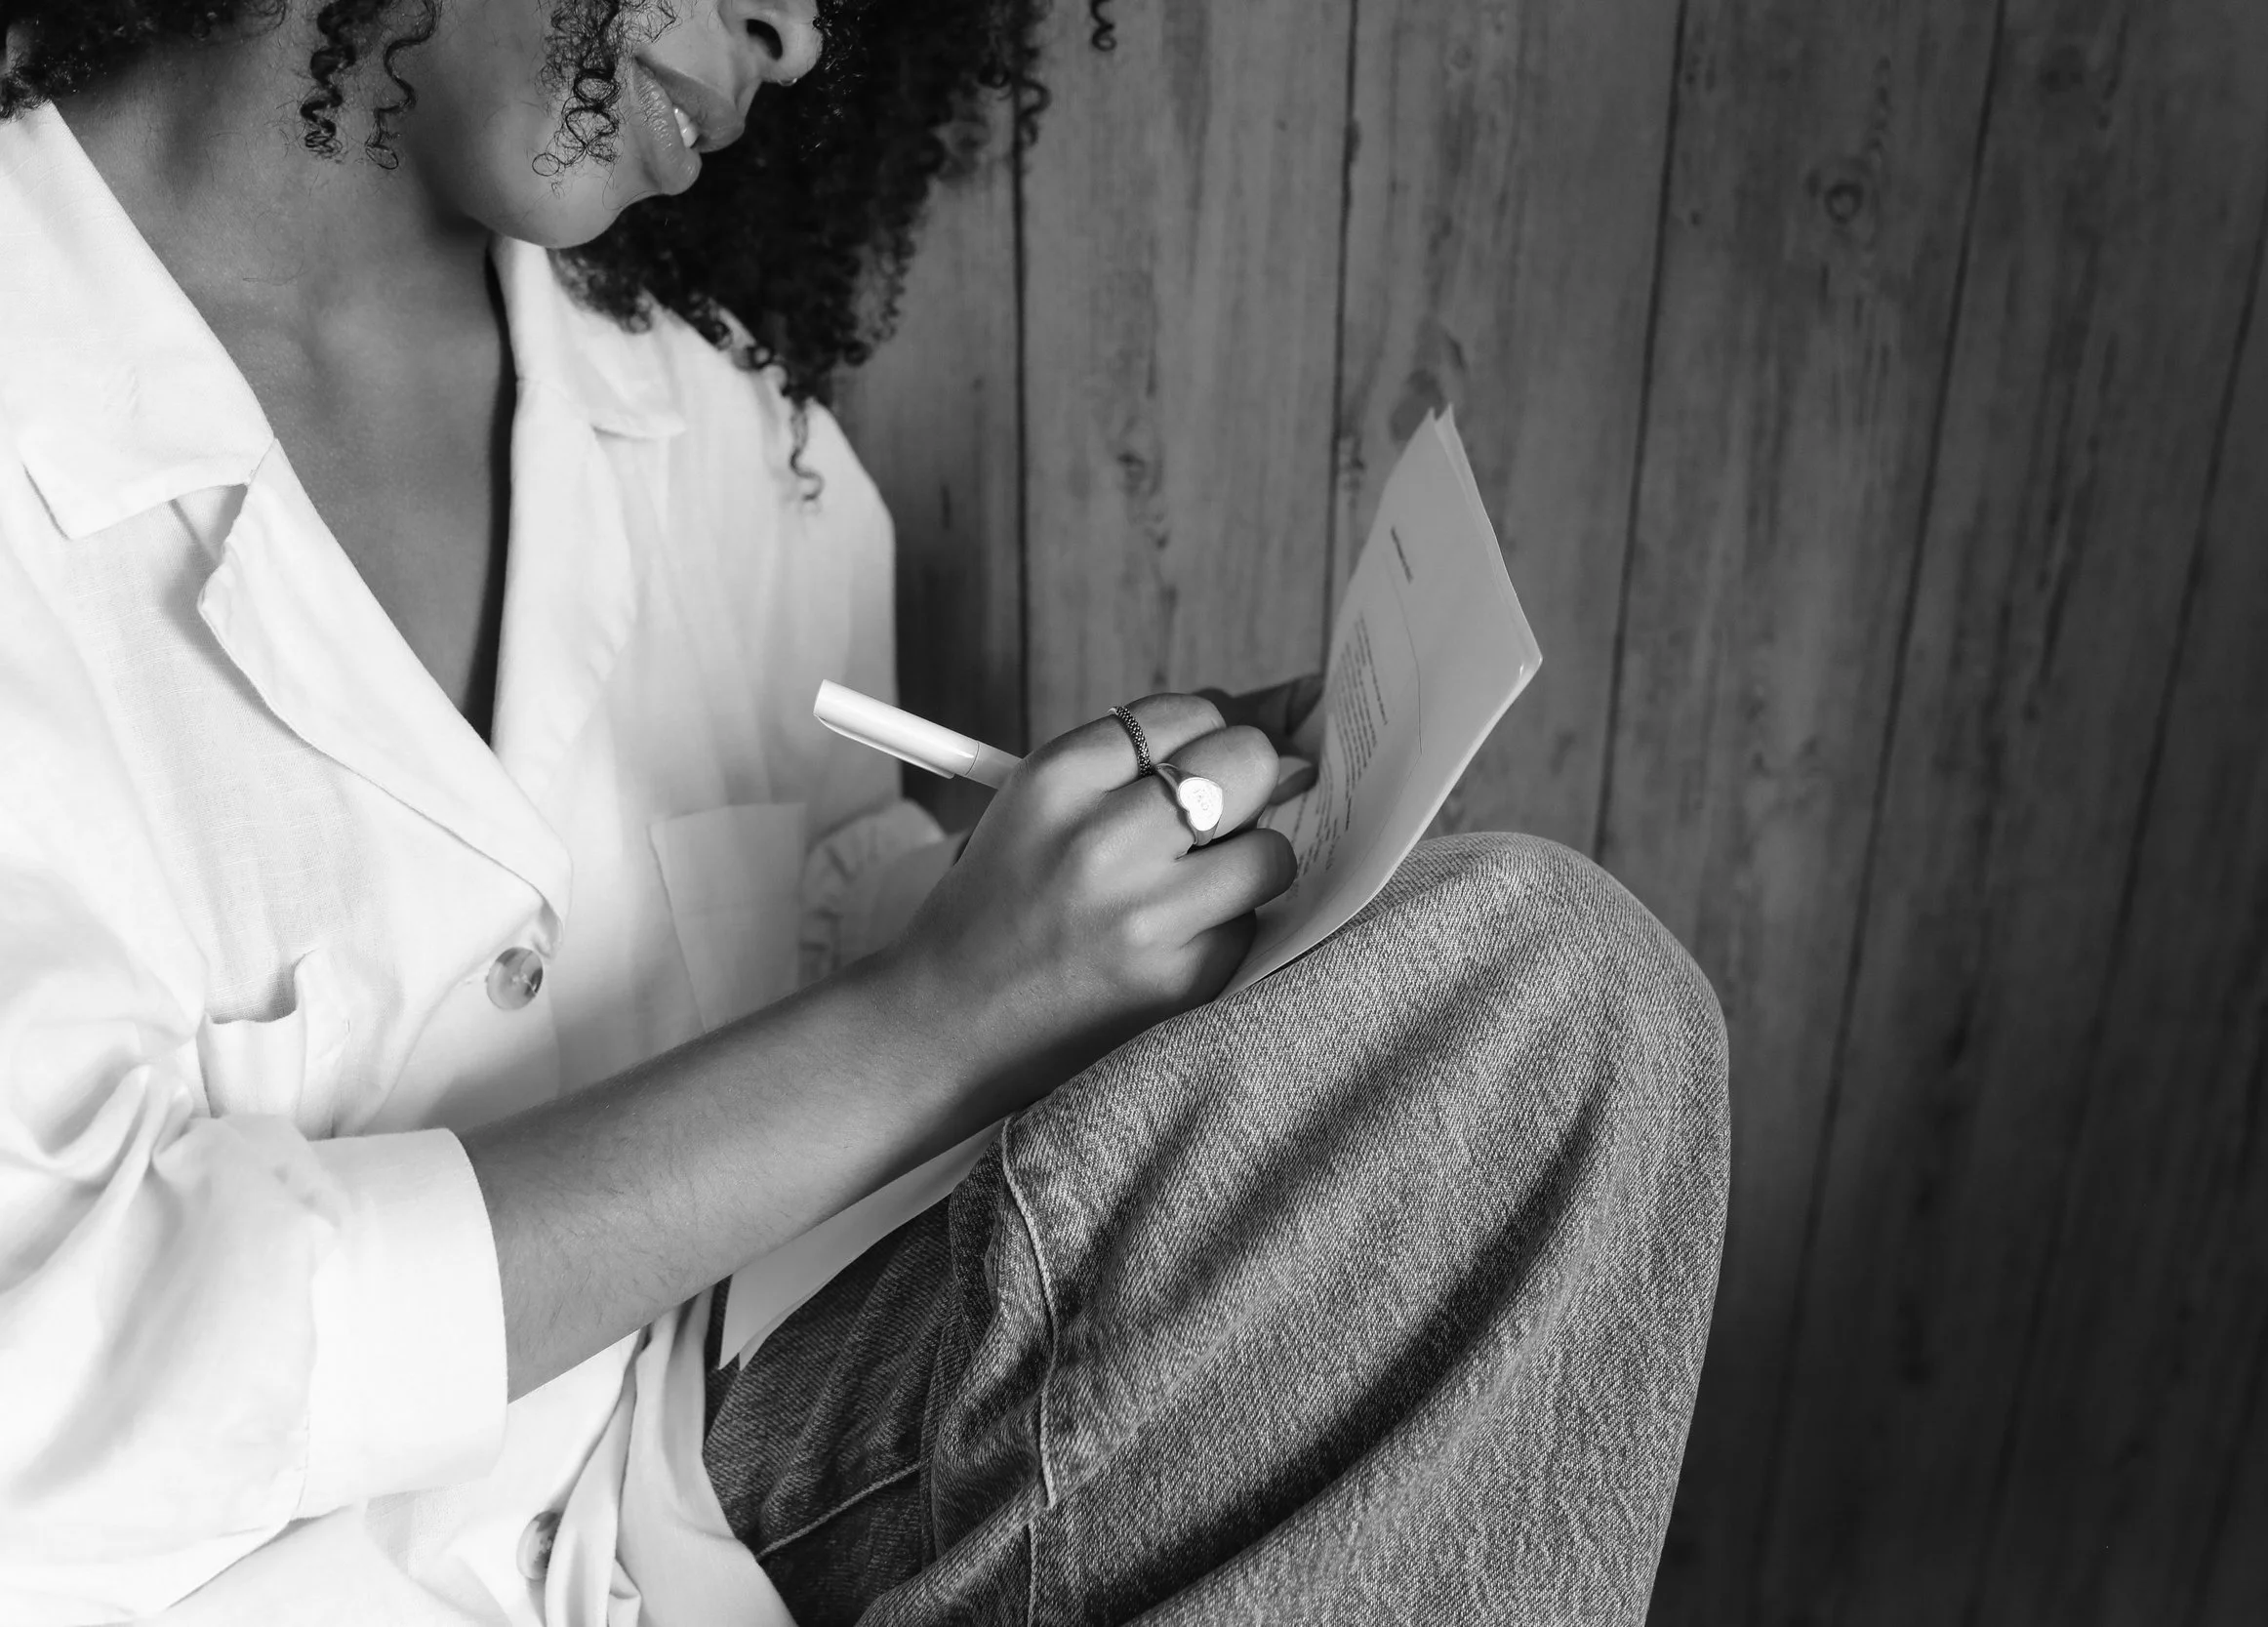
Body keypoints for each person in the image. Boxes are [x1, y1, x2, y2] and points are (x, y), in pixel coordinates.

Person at [0, 1, 1731, 1622]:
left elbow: (820, 985)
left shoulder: (751, 456)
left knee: (1564, 1017)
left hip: (731, 1486)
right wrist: (929, 1019)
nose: (801, 34)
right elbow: (52, 1400)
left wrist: (1061, 917)